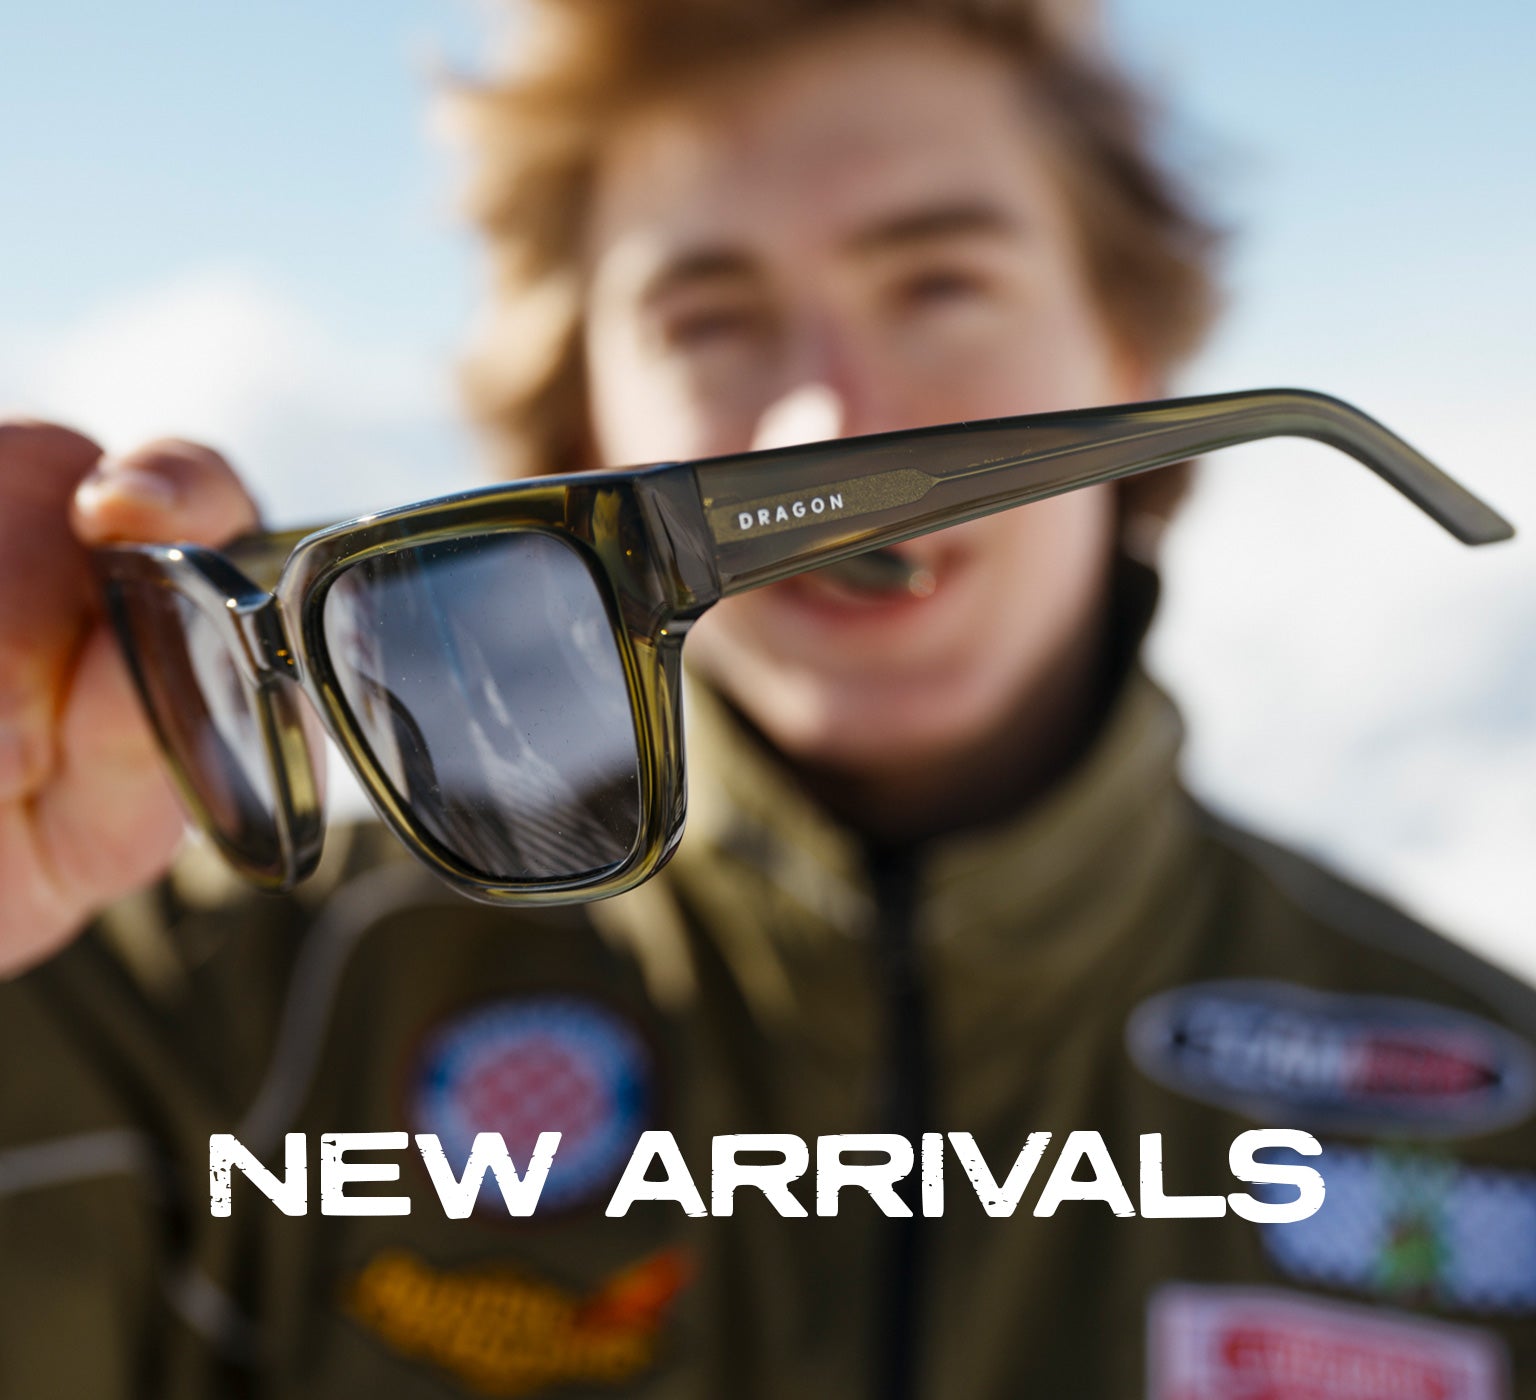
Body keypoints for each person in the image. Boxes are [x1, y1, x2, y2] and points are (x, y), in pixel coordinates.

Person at [1, 1, 1533, 1396]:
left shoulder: (1502, 1108)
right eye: (710, 318)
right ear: (583, 424)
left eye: (940, 282)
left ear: (1128, 359)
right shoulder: (206, 1013)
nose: (817, 418)